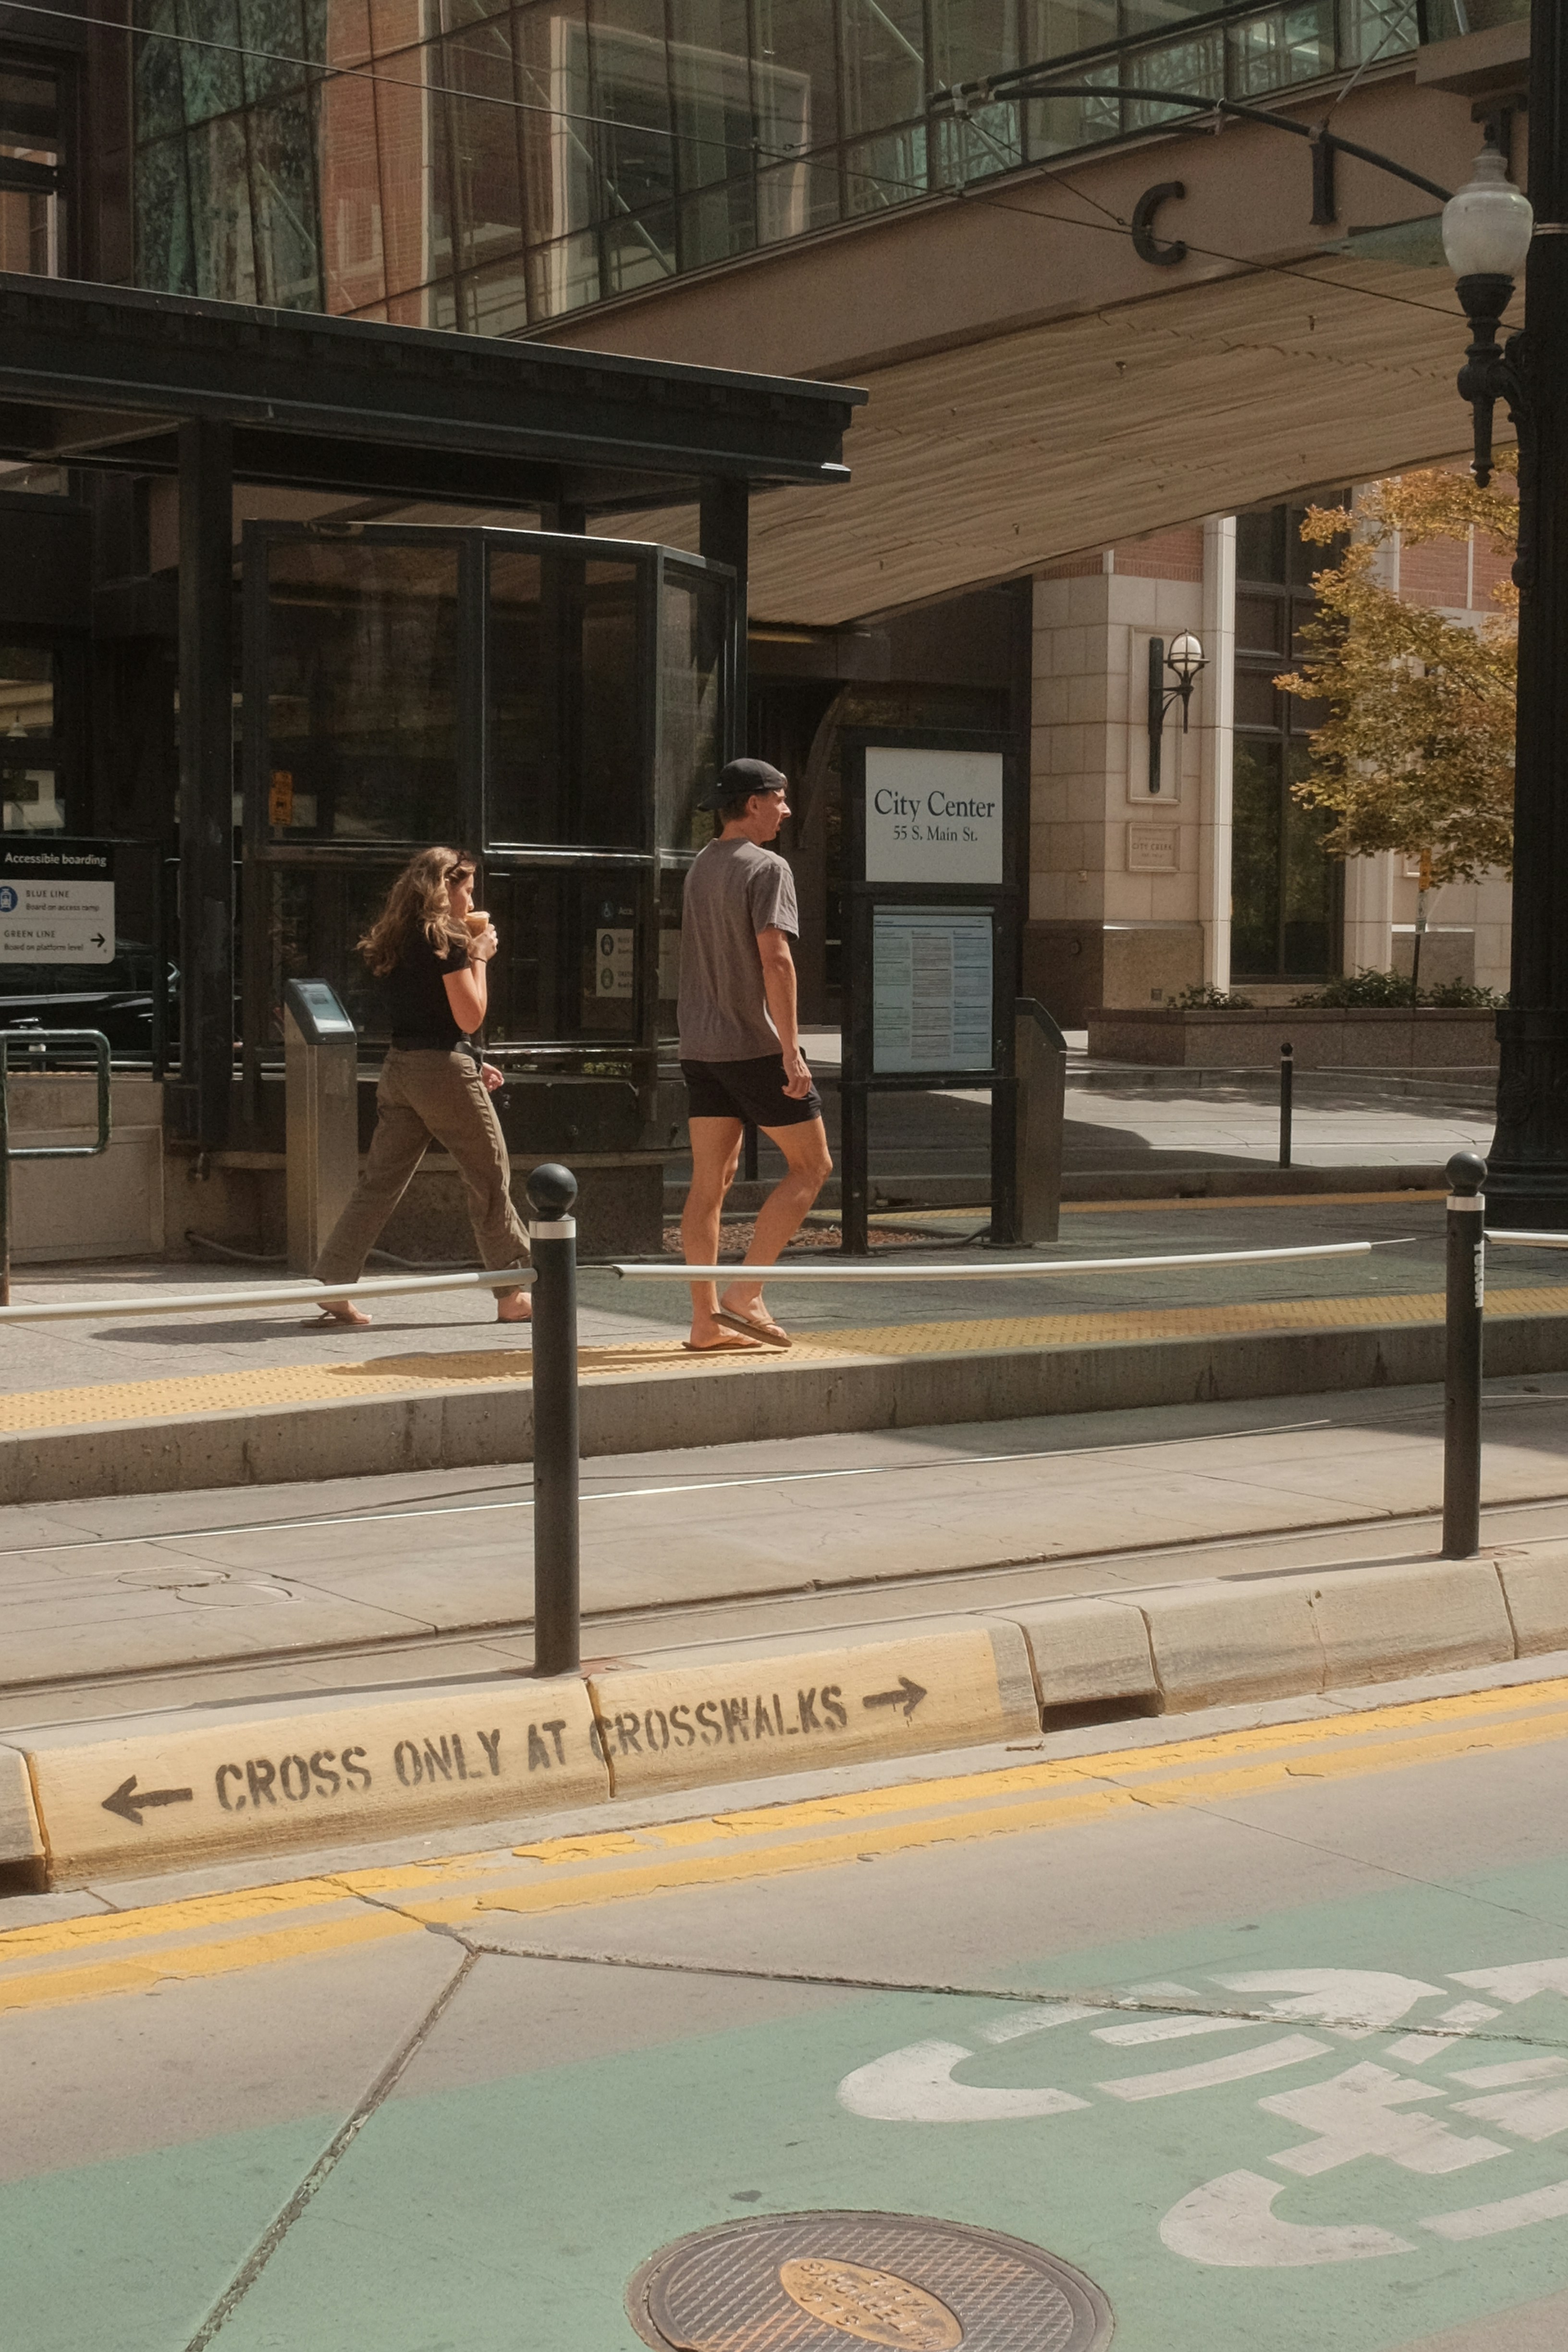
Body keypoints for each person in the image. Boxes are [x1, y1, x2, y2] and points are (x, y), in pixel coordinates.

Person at [310, 846, 530, 1327]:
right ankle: (513, 1292)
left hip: (401, 1069)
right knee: (489, 1176)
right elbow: (469, 1018)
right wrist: (481, 956)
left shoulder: (401, 936)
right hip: (441, 1072)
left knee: (379, 1184)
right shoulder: (446, 940)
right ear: (445, 889)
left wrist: (470, 1060)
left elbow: (427, 1016)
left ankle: (334, 1283)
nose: (471, 901)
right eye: (467, 890)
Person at [677, 757, 833, 1351]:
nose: (786, 811)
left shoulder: (702, 864)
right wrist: (792, 1051)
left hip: (701, 1046)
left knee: (708, 1183)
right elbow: (777, 961)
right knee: (812, 1167)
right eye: (781, 799)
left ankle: (705, 1322)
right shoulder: (769, 868)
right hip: (754, 1045)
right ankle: (746, 1293)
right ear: (754, 803)